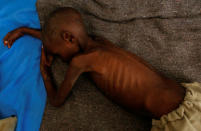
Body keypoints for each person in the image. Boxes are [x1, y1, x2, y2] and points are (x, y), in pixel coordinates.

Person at [3, 7, 201, 131]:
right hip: (189, 100)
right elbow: (54, 37)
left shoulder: (80, 62)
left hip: (176, 122)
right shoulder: (100, 42)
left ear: (69, 39)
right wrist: (24, 31)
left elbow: (56, 100)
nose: (58, 58)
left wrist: (45, 73)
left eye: (56, 53)